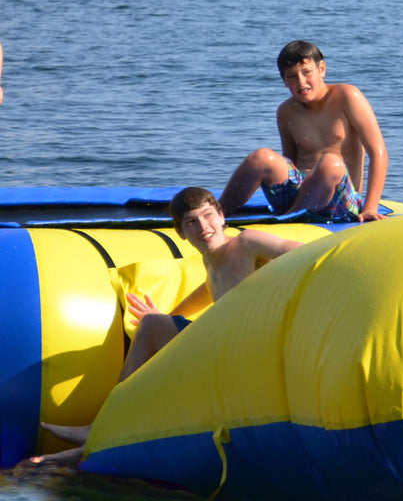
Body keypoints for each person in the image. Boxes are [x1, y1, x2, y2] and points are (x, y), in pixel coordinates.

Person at [30, 186, 302, 465]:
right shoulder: (212, 265)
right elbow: (208, 291)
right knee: (150, 326)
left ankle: (99, 430)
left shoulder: (246, 244)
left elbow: (301, 251)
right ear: (181, 233)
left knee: (152, 328)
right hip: (225, 352)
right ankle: (103, 436)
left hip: (251, 352)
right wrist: (165, 317)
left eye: (208, 216)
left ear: (222, 217)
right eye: (192, 222)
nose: (203, 227)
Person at [217, 40, 388, 222]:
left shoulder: (347, 96)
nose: (301, 82)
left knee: (331, 163)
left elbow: (379, 153)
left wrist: (370, 207)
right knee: (261, 157)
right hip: (301, 192)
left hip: (339, 198)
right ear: (283, 81)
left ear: (321, 69)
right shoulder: (286, 111)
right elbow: (288, 164)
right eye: (291, 76)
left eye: (307, 72)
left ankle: (290, 219)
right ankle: (217, 213)